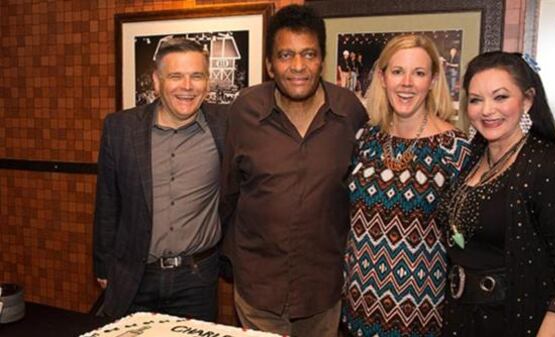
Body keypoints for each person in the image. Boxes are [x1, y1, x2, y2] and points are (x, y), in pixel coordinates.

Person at [220, 5, 368, 337]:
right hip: (258, 287)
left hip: (323, 289)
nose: (298, 66)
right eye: (286, 55)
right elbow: (229, 191)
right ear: (270, 64)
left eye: (308, 54)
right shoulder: (244, 110)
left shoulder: (350, 111)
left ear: (322, 60)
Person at [440, 51, 555, 337]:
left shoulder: (546, 166)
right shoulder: (475, 156)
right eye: (475, 100)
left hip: (519, 322)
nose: (487, 110)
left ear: (527, 100)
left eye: (500, 97)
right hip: (464, 319)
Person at [342, 34, 472, 337]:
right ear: (383, 77)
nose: (407, 83)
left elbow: (467, 238)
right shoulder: (366, 139)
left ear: (432, 81)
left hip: (420, 312)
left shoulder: (455, 148)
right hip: (357, 305)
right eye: (398, 71)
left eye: (419, 73)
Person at [93, 38, 227, 320]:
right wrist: (103, 267)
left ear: (207, 82)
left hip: (197, 279)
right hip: (135, 274)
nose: (187, 86)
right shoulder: (120, 129)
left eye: (197, 76)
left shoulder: (226, 125)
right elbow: (107, 203)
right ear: (156, 81)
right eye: (176, 76)